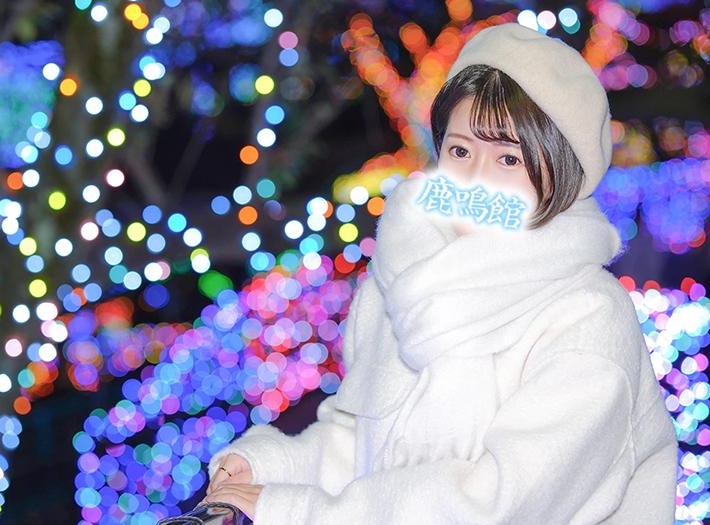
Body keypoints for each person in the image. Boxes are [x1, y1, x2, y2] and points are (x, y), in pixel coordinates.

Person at [200, 22, 679, 524]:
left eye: (509, 156)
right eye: (460, 150)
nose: (474, 178)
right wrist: (263, 469)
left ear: (560, 171)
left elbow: (502, 502)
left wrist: (293, 510)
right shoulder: (400, 282)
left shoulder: (586, 316)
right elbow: (353, 446)